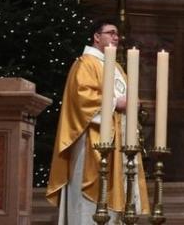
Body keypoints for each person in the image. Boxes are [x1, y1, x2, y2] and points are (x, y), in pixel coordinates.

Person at [46, 19, 149, 223]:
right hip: (92, 140)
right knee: (91, 196)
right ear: (96, 36)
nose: (116, 37)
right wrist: (115, 103)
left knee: (115, 191)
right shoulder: (85, 63)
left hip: (119, 140)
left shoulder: (117, 68)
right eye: (111, 33)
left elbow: (125, 98)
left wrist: (132, 103)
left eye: (117, 34)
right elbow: (82, 98)